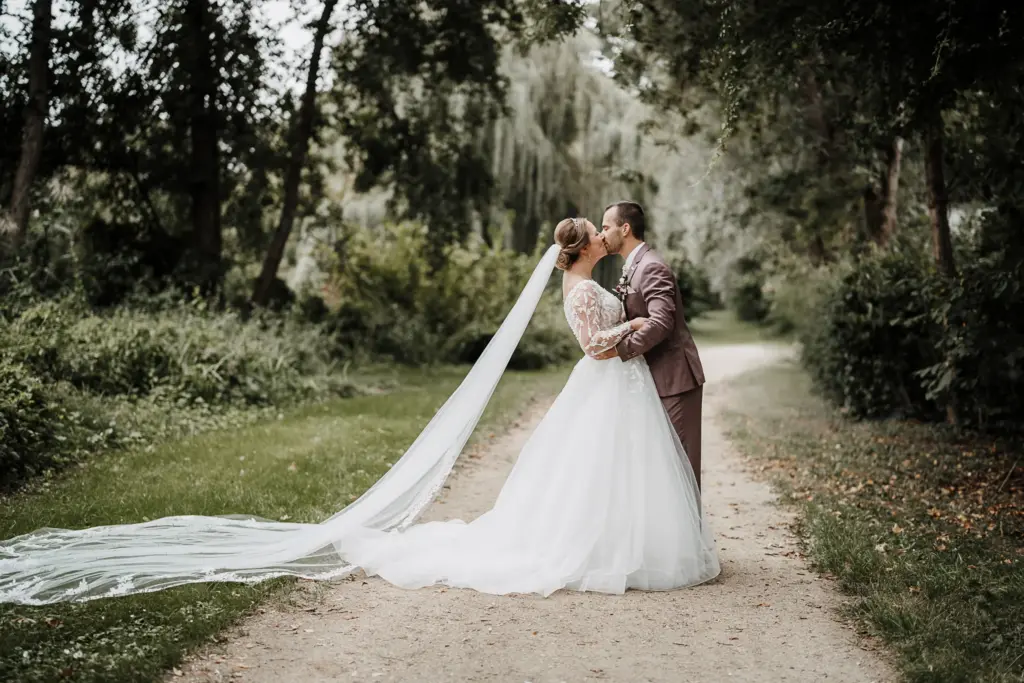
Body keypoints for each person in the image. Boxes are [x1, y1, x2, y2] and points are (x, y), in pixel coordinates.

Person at [0, 217, 717, 604]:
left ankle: (621, 543)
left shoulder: (596, 280)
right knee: (589, 473)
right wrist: (627, 332)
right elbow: (596, 347)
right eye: (596, 232)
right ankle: (602, 549)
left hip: (614, 394)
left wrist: (627, 331)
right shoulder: (585, 293)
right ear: (584, 249)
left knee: (603, 474)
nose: (602, 234)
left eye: (601, 229)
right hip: (603, 384)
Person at [599, 201, 706, 489]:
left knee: (681, 468)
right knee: (660, 469)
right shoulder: (634, 266)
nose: (602, 234)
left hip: (675, 379)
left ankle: (687, 535)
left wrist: (620, 350)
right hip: (653, 378)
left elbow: (661, 323)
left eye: (606, 227)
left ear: (625, 228)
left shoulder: (651, 267)